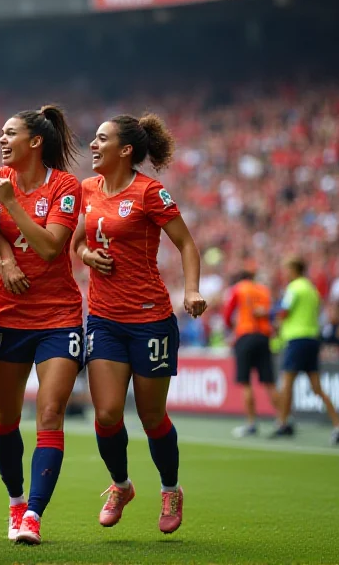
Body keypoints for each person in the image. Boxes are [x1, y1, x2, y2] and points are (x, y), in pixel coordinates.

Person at [71, 114, 207, 535]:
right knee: (108, 413)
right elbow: (76, 241)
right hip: (105, 319)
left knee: (151, 417)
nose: (92, 145)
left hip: (150, 320)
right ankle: (121, 485)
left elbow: (186, 243)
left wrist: (191, 291)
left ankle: (170, 489)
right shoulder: (87, 190)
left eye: (101, 139)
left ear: (126, 150)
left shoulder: (150, 192)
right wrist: (87, 256)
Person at [0, 105, 83, 545]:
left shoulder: (64, 186)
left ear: (35, 141)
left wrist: (10, 204)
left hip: (59, 316)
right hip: (8, 314)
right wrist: (4, 261)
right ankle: (16, 501)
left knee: (49, 412)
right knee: (5, 418)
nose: (2, 140)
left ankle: (34, 517)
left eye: (11, 134)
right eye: (2, 134)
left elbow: (49, 247)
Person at [272, 256, 339, 444]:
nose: (285, 273)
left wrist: (274, 320)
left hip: (296, 339)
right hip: (312, 339)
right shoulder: (312, 289)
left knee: (287, 383)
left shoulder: (294, 288)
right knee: (316, 387)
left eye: (287, 269)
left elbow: (284, 311)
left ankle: (282, 423)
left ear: (294, 270)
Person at [222, 266, 280, 437]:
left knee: (246, 382)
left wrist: (232, 328)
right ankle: (283, 419)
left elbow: (227, 314)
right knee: (269, 382)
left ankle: (251, 423)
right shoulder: (264, 290)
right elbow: (270, 313)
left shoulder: (238, 289)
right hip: (263, 337)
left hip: (245, 336)